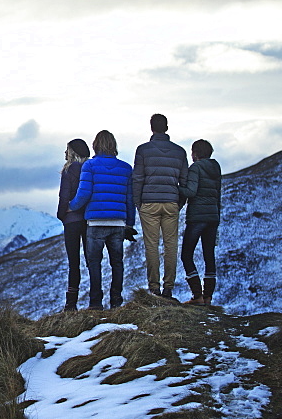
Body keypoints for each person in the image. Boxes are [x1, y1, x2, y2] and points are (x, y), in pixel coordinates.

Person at [69, 130, 136, 310]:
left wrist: (71, 206)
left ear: (95, 145)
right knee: (117, 263)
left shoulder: (89, 166)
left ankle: (95, 303)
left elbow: (83, 194)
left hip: (96, 222)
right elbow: (130, 199)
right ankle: (116, 302)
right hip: (118, 223)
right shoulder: (126, 168)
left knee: (94, 264)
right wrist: (130, 222)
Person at [132, 113, 188, 300]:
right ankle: (169, 288)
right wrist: (179, 202)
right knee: (171, 245)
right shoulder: (180, 152)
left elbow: (138, 177)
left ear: (151, 127)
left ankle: (154, 288)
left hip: (149, 202)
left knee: (151, 245)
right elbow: (184, 181)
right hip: (171, 202)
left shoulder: (143, 150)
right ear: (167, 127)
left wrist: (137, 201)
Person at [179, 139, 221, 305]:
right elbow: (218, 196)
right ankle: (208, 296)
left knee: (186, 255)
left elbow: (190, 191)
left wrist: (175, 187)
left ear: (195, 153)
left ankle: (197, 296)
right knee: (209, 256)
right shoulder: (216, 168)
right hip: (213, 217)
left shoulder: (195, 168)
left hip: (197, 217)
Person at [57, 138, 90, 311]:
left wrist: (62, 214)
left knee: (73, 262)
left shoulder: (68, 170)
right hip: (89, 220)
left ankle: (71, 303)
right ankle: (95, 300)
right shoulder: (90, 168)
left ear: (73, 153)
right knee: (91, 260)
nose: (65, 153)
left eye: (67, 150)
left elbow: (64, 195)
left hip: (71, 222)